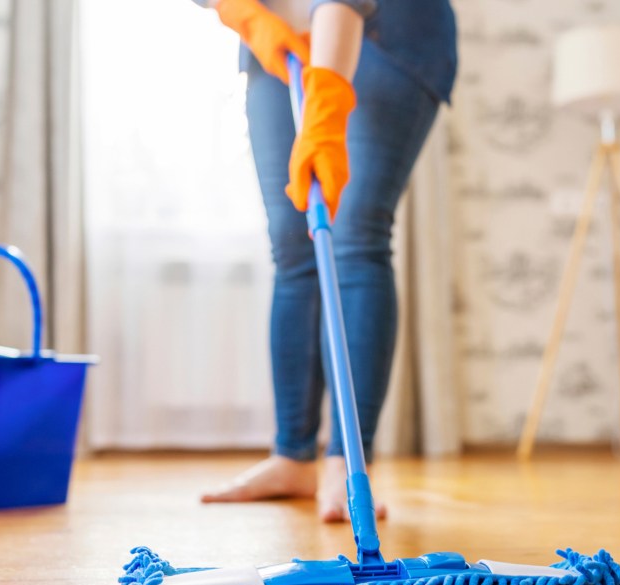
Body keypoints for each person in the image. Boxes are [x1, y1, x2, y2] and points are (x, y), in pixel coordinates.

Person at [195, 0, 457, 522]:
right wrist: (245, 13)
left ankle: (346, 461)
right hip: (278, 38)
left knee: (355, 233)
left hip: (388, 30)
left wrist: (327, 106)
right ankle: (292, 456)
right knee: (293, 245)